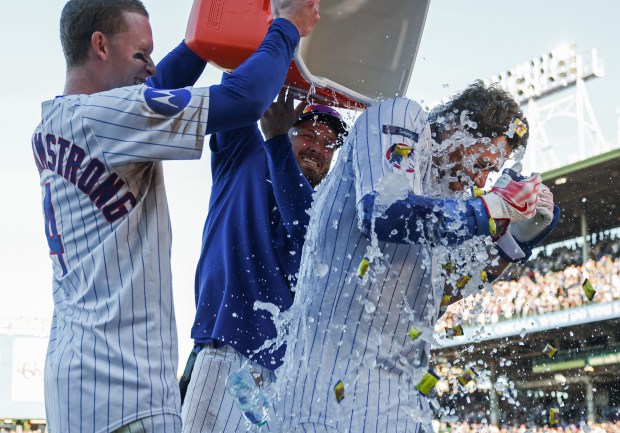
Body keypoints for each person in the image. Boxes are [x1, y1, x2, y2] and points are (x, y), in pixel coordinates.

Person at [30, 0, 320, 431]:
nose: (151, 68)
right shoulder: (107, 117)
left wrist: (207, 41)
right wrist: (285, 27)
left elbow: (159, 84)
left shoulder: (56, 122)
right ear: (100, 46)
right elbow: (245, 99)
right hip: (124, 388)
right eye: (141, 54)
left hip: (79, 381)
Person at [272, 81, 560, 433]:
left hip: (399, 400)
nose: (482, 179)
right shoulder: (402, 116)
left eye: (491, 173)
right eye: (483, 163)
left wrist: (514, 241)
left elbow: (442, 296)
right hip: (330, 396)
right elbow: (383, 211)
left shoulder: (451, 197)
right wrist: (489, 209)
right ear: (458, 127)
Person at [179, 88, 348, 432]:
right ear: (285, 126)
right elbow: (237, 82)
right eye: (309, 134)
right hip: (225, 356)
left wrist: (278, 143)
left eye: (329, 143)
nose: (318, 147)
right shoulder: (246, 152)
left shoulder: (324, 207)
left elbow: (305, 232)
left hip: (285, 376)